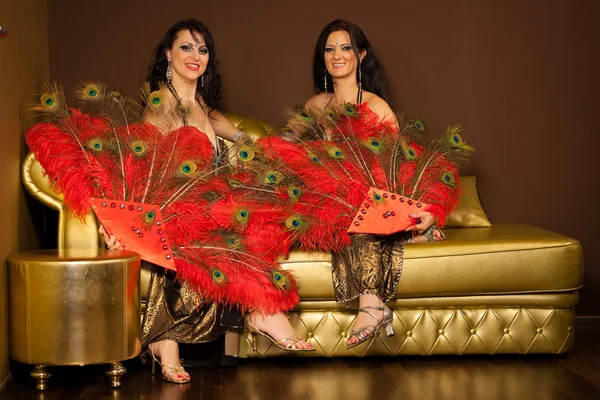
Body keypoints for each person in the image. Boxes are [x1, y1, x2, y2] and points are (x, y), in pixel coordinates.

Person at [102, 18, 312, 383]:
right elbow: (143, 168)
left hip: (211, 201)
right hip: (176, 207)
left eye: (202, 49)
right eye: (186, 47)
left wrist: (259, 143)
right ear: (168, 53)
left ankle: (258, 312)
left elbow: (230, 130)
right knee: (214, 233)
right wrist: (120, 224)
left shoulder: (197, 102)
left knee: (259, 210)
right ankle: (171, 343)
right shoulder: (161, 104)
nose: (195, 56)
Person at [301, 19, 445, 348]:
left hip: (370, 197)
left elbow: (400, 166)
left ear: (361, 54)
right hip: (326, 196)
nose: (337, 55)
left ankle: (371, 307)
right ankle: (411, 237)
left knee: (361, 211)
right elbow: (288, 149)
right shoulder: (313, 106)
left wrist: (423, 207)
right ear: (322, 57)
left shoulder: (377, 107)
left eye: (346, 47)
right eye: (329, 48)